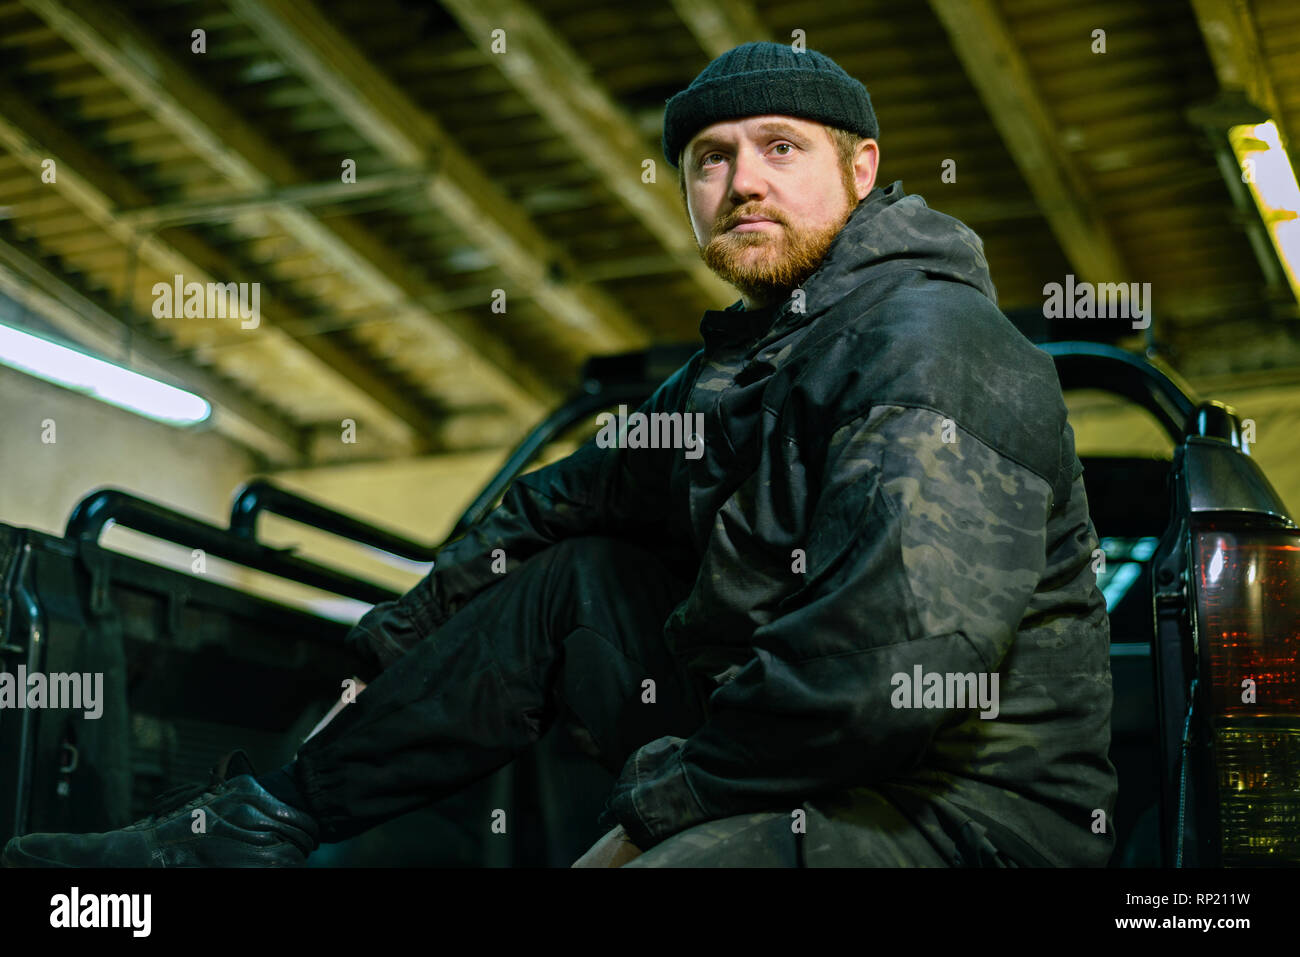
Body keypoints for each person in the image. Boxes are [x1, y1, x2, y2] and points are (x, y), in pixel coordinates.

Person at [2, 41, 1117, 869]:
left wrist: (656, 809)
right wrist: (384, 651)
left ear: (863, 170)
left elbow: (877, 672)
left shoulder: (933, 348)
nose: (742, 184)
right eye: (709, 162)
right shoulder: (739, 371)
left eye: (782, 149)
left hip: (963, 812)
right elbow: (552, 506)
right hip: (802, 757)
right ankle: (239, 838)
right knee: (570, 578)